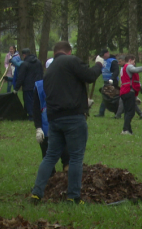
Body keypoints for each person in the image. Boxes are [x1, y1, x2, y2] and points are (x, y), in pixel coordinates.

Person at [30, 41, 104, 204]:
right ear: (69, 52)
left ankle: (37, 192)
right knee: (76, 157)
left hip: (54, 119)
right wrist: (99, 64)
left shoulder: (49, 72)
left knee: (50, 157)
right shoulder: (71, 61)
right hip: (73, 118)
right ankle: (73, 196)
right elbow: (90, 76)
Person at [33, 60, 70, 175]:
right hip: (46, 127)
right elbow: (36, 109)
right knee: (48, 157)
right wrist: (38, 127)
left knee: (67, 155)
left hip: (64, 125)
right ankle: (50, 180)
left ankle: (67, 177)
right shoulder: (39, 86)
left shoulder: (66, 84)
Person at [120, 54, 142, 135]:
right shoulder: (128, 66)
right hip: (128, 92)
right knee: (131, 112)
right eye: (134, 62)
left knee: (127, 112)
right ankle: (125, 130)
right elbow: (136, 70)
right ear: (130, 60)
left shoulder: (123, 69)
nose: (134, 64)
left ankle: (129, 130)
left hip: (123, 92)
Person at [14, 48, 43, 121]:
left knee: (29, 101)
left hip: (28, 86)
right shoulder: (38, 62)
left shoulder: (24, 64)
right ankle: (36, 114)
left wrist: (16, 88)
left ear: (24, 55)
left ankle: (32, 116)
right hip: (37, 85)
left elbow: (21, 77)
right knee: (36, 101)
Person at [113, 55, 142, 119]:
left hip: (128, 89)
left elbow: (134, 78)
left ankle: (119, 115)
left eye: (120, 61)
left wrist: (139, 85)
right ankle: (140, 115)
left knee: (124, 101)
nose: (118, 63)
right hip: (125, 87)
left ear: (125, 61)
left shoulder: (128, 68)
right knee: (131, 102)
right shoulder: (123, 68)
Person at [94, 49, 119, 117]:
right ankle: (102, 113)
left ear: (107, 53)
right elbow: (101, 70)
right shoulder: (104, 61)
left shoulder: (113, 61)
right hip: (106, 82)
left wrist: (112, 79)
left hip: (112, 82)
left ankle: (117, 113)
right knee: (105, 97)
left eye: (103, 55)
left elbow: (116, 71)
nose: (102, 56)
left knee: (112, 98)